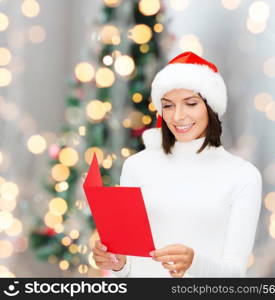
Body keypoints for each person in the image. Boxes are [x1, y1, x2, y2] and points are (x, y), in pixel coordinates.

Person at [92, 51, 262, 278]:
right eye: (168, 106)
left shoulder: (243, 176)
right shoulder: (137, 167)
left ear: (211, 107)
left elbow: (234, 274)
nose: (178, 116)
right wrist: (118, 264)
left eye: (190, 103)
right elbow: (128, 270)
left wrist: (194, 263)